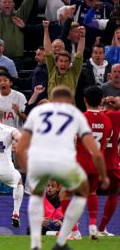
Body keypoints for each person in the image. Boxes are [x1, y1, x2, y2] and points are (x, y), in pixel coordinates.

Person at [16, 86, 109, 250]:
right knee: (83, 192)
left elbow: (19, 149)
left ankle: (35, 244)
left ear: (51, 99)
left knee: (36, 196)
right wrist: (103, 175)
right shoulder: (75, 114)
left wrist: (28, 170)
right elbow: (95, 151)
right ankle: (62, 241)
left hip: (39, 160)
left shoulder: (37, 113)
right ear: (70, 101)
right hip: (64, 161)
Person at [75, 87, 113, 240]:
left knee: (71, 194)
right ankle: (92, 226)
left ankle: (74, 231)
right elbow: (106, 144)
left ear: (84, 100)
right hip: (97, 164)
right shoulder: (107, 120)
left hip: (81, 162)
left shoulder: (81, 118)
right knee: (92, 193)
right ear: (101, 101)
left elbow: (73, 141)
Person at [98, 95, 120, 236]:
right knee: (114, 192)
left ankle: (74, 229)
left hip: (93, 160)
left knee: (83, 193)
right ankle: (100, 229)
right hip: (110, 162)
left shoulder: (96, 115)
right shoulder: (116, 115)